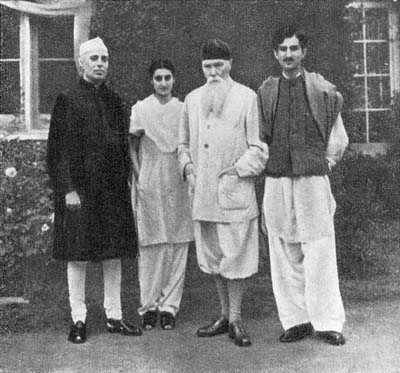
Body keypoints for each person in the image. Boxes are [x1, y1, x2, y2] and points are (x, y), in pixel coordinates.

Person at [47, 37, 142, 344]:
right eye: (94, 59)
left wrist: (126, 180)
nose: (100, 63)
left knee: (113, 255)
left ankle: (114, 317)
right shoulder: (67, 99)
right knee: (79, 256)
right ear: (81, 63)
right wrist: (67, 190)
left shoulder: (115, 101)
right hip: (81, 192)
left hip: (112, 191)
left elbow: (121, 149)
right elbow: (57, 151)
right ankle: (78, 318)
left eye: (104, 58)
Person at [257, 25, 348, 346]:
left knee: (319, 247)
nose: (288, 55)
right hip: (278, 179)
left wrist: (324, 164)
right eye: (282, 49)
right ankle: (296, 320)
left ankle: (327, 321)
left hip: (311, 179)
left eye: (294, 48)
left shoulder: (323, 90)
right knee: (283, 249)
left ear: (303, 52)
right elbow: (258, 139)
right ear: (275, 54)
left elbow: (338, 138)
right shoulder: (267, 92)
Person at [178, 39, 269, 347]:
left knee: (237, 256)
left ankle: (237, 318)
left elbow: (259, 147)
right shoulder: (191, 99)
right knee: (212, 256)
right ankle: (222, 315)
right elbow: (182, 144)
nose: (213, 72)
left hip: (234, 191)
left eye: (219, 65)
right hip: (202, 193)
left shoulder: (247, 97)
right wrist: (188, 167)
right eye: (207, 66)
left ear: (230, 63)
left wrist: (237, 171)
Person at [129, 59, 193, 331]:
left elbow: (188, 144)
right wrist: (139, 175)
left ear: (174, 80)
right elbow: (131, 145)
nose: (163, 83)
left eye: (168, 77)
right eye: (158, 78)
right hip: (151, 178)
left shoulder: (183, 108)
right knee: (151, 243)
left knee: (177, 242)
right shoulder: (142, 109)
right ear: (151, 81)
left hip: (177, 178)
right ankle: (148, 306)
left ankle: (169, 307)